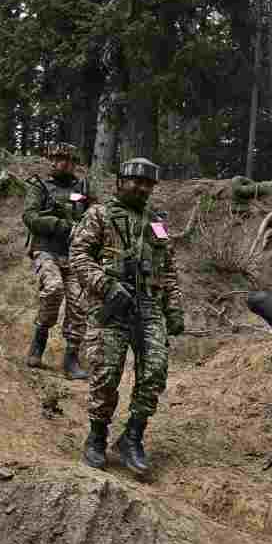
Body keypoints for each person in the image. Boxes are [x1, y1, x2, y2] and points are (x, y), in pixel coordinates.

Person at [70, 158, 184, 473]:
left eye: (148, 184)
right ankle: (97, 436)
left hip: (149, 305)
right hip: (111, 304)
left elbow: (168, 268)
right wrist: (106, 285)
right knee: (106, 372)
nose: (143, 188)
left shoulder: (157, 222)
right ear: (121, 182)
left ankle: (132, 436)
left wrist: (174, 307)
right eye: (137, 181)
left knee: (155, 370)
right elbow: (78, 256)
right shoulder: (99, 214)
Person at [23, 141, 95, 379]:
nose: (56, 163)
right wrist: (59, 225)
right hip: (46, 250)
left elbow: (95, 215)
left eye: (62, 159)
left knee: (79, 303)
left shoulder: (82, 189)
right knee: (54, 289)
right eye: (53, 159)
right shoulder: (40, 187)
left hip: (75, 254)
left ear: (73, 163)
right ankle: (39, 340)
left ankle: (71, 360)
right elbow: (30, 217)